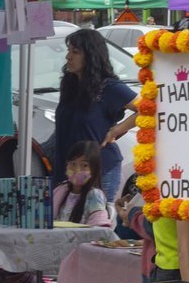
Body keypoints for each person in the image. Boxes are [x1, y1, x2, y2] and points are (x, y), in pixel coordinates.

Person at [51, 28, 136, 202]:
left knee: (96, 224)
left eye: (75, 52)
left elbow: (150, 108)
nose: (68, 56)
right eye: (69, 51)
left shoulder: (109, 87)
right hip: (68, 171)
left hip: (100, 170)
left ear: (90, 55)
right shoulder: (70, 85)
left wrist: (117, 130)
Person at [52, 140, 112, 227]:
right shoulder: (60, 189)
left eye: (84, 165)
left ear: (94, 169)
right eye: (72, 164)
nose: (77, 170)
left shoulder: (94, 195)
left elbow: (99, 227)